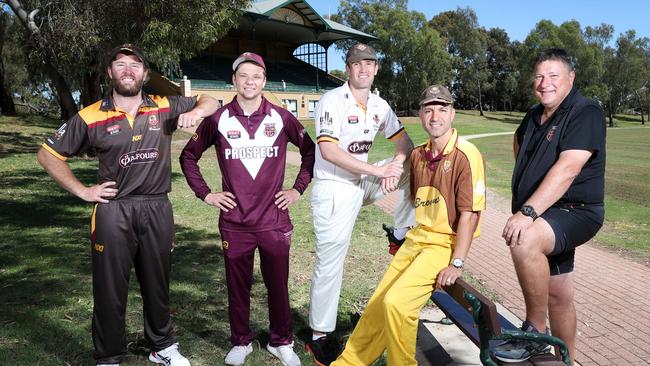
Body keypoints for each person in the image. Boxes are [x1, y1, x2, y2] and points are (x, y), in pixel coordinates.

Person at [36, 44, 221, 366]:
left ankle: (161, 345)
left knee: (157, 282)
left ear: (145, 74)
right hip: (113, 210)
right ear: (110, 72)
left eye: (134, 65)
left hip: (156, 208)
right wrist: (82, 191)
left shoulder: (164, 106)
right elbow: (47, 155)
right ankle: (108, 356)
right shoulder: (90, 115)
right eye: (120, 64)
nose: (127, 70)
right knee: (110, 289)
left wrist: (197, 111)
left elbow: (212, 100)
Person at [331, 84, 486, 366]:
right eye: (428, 110)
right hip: (416, 239)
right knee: (378, 305)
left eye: (442, 109)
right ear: (420, 115)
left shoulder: (466, 154)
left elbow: (470, 215)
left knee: (397, 305)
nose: (434, 116)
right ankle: (348, 363)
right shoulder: (417, 156)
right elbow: (413, 203)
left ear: (452, 114)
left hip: (442, 245)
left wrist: (458, 263)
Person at [179, 52, 315, 366]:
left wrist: (296, 189)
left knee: (277, 285)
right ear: (234, 81)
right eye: (243, 76)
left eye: (256, 76)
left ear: (264, 81)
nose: (250, 81)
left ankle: (281, 340)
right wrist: (206, 194)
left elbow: (310, 152)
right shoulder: (218, 119)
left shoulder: (281, 117)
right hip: (235, 223)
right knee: (237, 286)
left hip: (274, 221)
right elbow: (188, 157)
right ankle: (241, 340)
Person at [494, 48, 606, 364]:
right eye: (539, 76)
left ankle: (534, 333)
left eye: (553, 76)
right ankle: (565, 361)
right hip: (548, 213)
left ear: (570, 78)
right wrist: (529, 181)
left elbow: (569, 166)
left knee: (523, 239)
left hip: (576, 211)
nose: (545, 83)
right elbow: (519, 144)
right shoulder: (533, 115)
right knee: (558, 296)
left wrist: (528, 211)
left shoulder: (586, 111)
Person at [307, 43, 416, 365]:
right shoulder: (332, 100)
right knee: (331, 263)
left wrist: (395, 163)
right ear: (348, 69)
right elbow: (329, 151)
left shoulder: (380, 104)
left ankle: (400, 232)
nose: (364, 69)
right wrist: (378, 170)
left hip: (362, 184)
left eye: (369, 64)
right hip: (335, 188)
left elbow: (405, 143)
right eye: (357, 64)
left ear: (376, 68)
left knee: (415, 162)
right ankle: (319, 336)